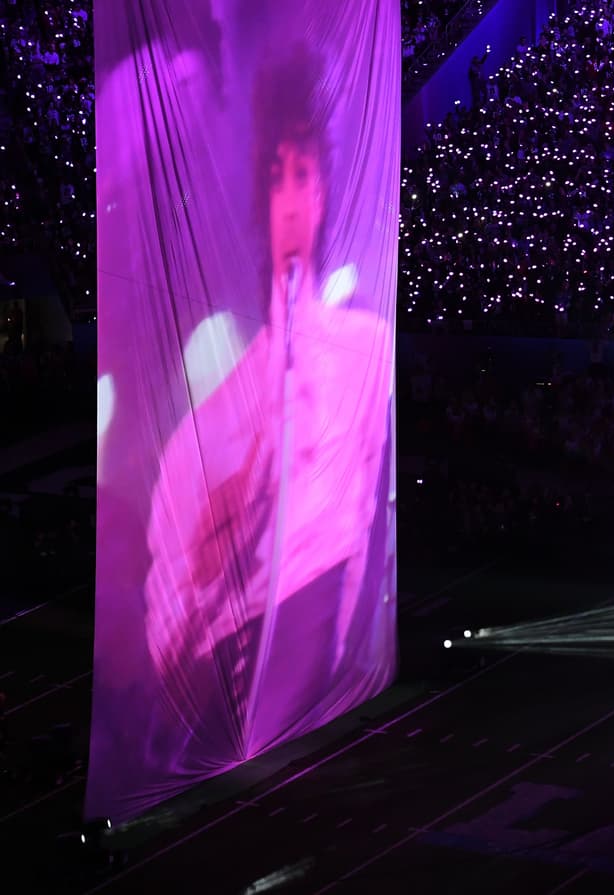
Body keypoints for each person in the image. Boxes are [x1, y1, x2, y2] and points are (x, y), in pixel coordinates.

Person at [142, 42, 394, 759]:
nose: (289, 202)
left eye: (303, 175)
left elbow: (366, 522)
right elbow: (168, 625)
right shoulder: (215, 420)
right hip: (235, 662)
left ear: (323, 193)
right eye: (275, 179)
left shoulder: (365, 353)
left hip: (321, 652)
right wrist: (209, 569)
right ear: (259, 197)